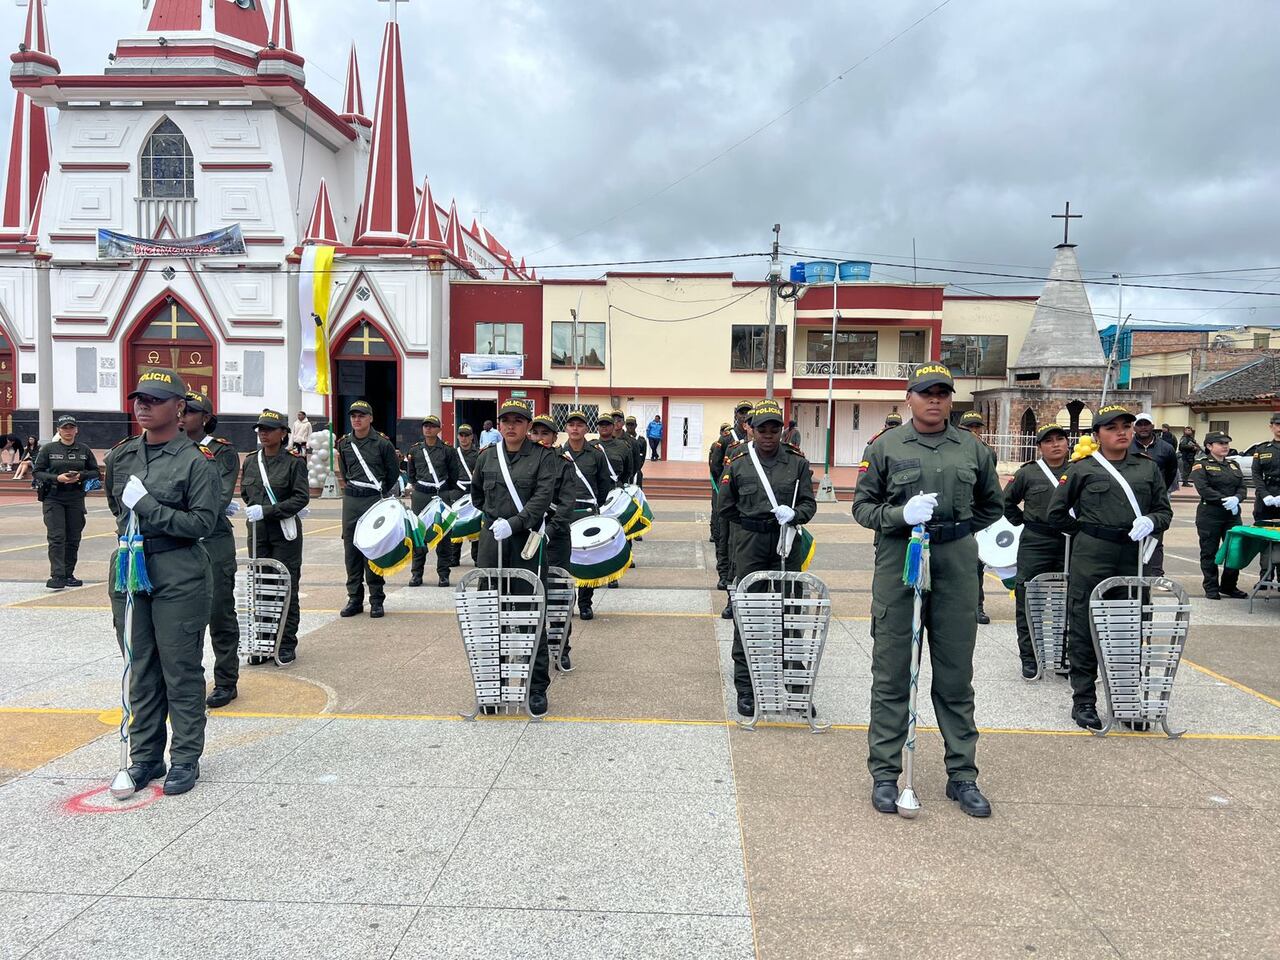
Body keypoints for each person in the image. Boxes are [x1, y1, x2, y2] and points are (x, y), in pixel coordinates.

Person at [852, 362, 1003, 819]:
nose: (935, 400)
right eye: (926, 392)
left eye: (943, 393)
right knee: (893, 674)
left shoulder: (972, 448)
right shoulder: (885, 447)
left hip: (956, 564)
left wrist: (952, 532)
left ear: (951, 399)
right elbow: (863, 507)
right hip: (900, 563)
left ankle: (963, 775)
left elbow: (991, 505)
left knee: (956, 676)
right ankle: (885, 774)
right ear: (910, 397)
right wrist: (903, 517)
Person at [105, 367, 219, 796]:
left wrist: (150, 506)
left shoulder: (196, 462)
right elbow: (118, 507)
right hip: (132, 568)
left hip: (178, 570)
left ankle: (185, 757)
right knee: (140, 667)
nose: (143, 406)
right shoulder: (122, 455)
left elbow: (202, 523)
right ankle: (145, 758)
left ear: (180, 407)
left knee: (180, 669)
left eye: (154, 399)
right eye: (139, 398)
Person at [1046, 404, 1173, 731]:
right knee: (1085, 628)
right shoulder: (1081, 469)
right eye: (1113, 427)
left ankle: (1128, 701)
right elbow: (1056, 513)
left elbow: (1164, 512)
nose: (1122, 432)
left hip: (1133, 557)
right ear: (1097, 435)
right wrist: (1089, 532)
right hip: (1092, 558)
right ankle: (1084, 702)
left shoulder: (1147, 469)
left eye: (1126, 426)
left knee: (1130, 627)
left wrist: (1151, 521)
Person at [718, 399, 816, 716]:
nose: (769, 434)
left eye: (775, 428)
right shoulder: (738, 462)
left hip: (785, 544)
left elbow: (809, 505)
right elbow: (725, 507)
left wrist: (795, 514)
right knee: (748, 615)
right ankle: (746, 689)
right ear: (752, 429)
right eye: (763, 428)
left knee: (790, 614)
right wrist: (751, 525)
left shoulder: (797, 462)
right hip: (750, 543)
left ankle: (796, 687)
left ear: (782, 430)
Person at [471, 399, 560, 716]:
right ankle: (491, 687)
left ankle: (536, 687)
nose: (511, 426)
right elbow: (477, 495)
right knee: (489, 615)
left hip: (526, 546)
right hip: (492, 544)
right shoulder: (486, 458)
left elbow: (541, 499)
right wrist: (497, 523)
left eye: (518, 421)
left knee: (530, 615)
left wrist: (515, 523)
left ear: (528, 426)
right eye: (505, 420)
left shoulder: (542, 457)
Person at [180, 390, 241, 710]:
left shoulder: (221, 452)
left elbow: (215, 498)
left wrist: (173, 514)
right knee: (182, 617)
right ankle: (186, 682)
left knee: (219, 612)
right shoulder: (168, 448)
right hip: (178, 541)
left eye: (190, 411)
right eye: (180, 409)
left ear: (205, 418)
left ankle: (226, 681)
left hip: (212, 540)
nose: (182, 415)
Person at [239, 409, 310, 663]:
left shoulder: (293, 463)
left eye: (269, 429)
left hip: (284, 533)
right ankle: (263, 642)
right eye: (260, 429)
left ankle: (285, 643)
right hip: (257, 533)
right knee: (260, 588)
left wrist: (268, 511)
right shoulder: (250, 461)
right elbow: (247, 495)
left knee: (285, 587)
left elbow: (301, 498)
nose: (264, 433)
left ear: (283, 434)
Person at [1002, 424, 1071, 678]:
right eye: (1048, 441)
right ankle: (1029, 658)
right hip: (1036, 541)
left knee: (1070, 601)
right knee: (1029, 600)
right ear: (1039, 446)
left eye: (1060, 439)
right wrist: (1022, 522)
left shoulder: (1080, 470)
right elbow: (1006, 501)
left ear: (1067, 443)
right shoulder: (1028, 473)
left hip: (1070, 541)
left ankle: (1066, 657)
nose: (1055, 444)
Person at [336, 400, 400, 618]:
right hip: (352, 501)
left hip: (374, 499)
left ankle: (376, 599)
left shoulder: (382, 444)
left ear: (370, 418)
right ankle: (354, 598)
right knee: (351, 550)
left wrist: (377, 492)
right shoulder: (344, 444)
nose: (356, 419)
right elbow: (345, 473)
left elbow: (392, 474)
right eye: (353, 415)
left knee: (373, 548)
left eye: (361, 415)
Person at [531, 414, 578, 669]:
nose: (539, 438)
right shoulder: (521, 462)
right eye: (535, 433)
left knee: (560, 594)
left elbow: (567, 504)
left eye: (544, 434)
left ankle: (562, 648)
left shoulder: (563, 463)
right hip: (527, 537)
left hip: (555, 537)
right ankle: (534, 645)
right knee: (529, 593)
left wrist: (549, 530)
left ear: (554, 437)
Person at [34, 414, 99, 589]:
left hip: (75, 498)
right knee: (57, 537)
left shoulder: (84, 450)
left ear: (76, 430)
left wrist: (81, 476)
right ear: (58, 430)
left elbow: (95, 472)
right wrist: (57, 478)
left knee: (73, 537)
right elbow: (37, 472)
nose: (68, 431)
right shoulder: (48, 449)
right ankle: (57, 576)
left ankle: (69, 574)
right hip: (53, 497)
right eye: (64, 428)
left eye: (71, 428)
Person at [560, 410, 612, 621]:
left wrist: (596, 507)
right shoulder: (558, 453)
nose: (575, 428)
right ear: (566, 429)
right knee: (566, 557)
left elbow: (604, 483)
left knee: (587, 557)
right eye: (571, 425)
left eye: (579, 425)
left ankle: (585, 603)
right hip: (564, 512)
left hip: (588, 510)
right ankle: (568, 600)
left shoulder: (596, 454)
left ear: (586, 428)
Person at [1190, 431, 1248, 600]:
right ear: (1209, 446)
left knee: (1234, 550)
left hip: (1232, 515)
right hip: (1210, 514)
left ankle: (1229, 586)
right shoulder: (1201, 465)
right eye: (1220, 443)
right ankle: (1211, 587)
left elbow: (1242, 487)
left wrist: (1236, 499)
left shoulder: (1233, 465)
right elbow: (1204, 489)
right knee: (1209, 552)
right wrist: (1224, 500)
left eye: (1226, 443)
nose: (1225, 446)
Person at [709, 401, 754, 614]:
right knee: (726, 542)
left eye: (749, 414)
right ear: (736, 415)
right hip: (731, 504)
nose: (745, 417)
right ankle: (727, 585)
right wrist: (723, 494)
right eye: (742, 413)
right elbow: (717, 467)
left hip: (753, 509)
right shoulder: (729, 442)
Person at [407, 415, 458, 587]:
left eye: (432, 426)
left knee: (443, 535)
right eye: (425, 426)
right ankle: (417, 574)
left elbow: (453, 474)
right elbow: (411, 474)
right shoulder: (415, 450)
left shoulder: (447, 450)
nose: (428, 429)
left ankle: (444, 574)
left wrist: (443, 491)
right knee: (419, 534)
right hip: (421, 495)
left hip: (441, 495)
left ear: (439, 429)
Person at [1131, 413, 1177, 573]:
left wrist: (1161, 490)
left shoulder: (1166, 448)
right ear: (1134, 427)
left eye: (1146, 424)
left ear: (1152, 426)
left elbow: (1171, 472)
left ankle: (1155, 572)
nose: (1143, 427)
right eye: (1139, 424)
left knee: (1155, 536)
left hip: (1157, 498)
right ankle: (1132, 569)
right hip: (1132, 498)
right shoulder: (1128, 446)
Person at [959, 409, 992, 625]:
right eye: (969, 428)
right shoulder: (954, 451)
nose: (973, 431)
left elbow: (989, 490)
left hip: (976, 518)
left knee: (978, 564)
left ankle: (977, 606)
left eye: (976, 428)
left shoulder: (987, 453)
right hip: (958, 516)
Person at [445, 424, 481, 570]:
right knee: (455, 524)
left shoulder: (478, 454)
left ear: (472, 437)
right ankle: (454, 557)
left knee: (475, 523)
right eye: (461, 435)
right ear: (458, 436)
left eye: (467, 435)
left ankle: (477, 557)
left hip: (473, 490)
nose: (464, 438)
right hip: (457, 490)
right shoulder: (453, 453)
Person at [624, 415, 647, 489]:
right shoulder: (621, 439)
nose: (630, 426)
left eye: (632, 424)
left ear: (636, 425)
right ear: (625, 425)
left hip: (636, 472)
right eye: (628, 424)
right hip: (624, 473)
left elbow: (642, 458)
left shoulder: (641, 440)